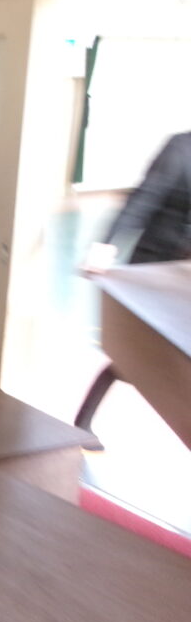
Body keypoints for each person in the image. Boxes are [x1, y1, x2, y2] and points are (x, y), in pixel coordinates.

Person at [76, 131, 191, 442]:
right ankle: (83, 422)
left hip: (186, 279)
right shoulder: (180, 148)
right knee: (134, 357)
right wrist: (106, 245)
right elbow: (142, 201)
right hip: (152, 271)